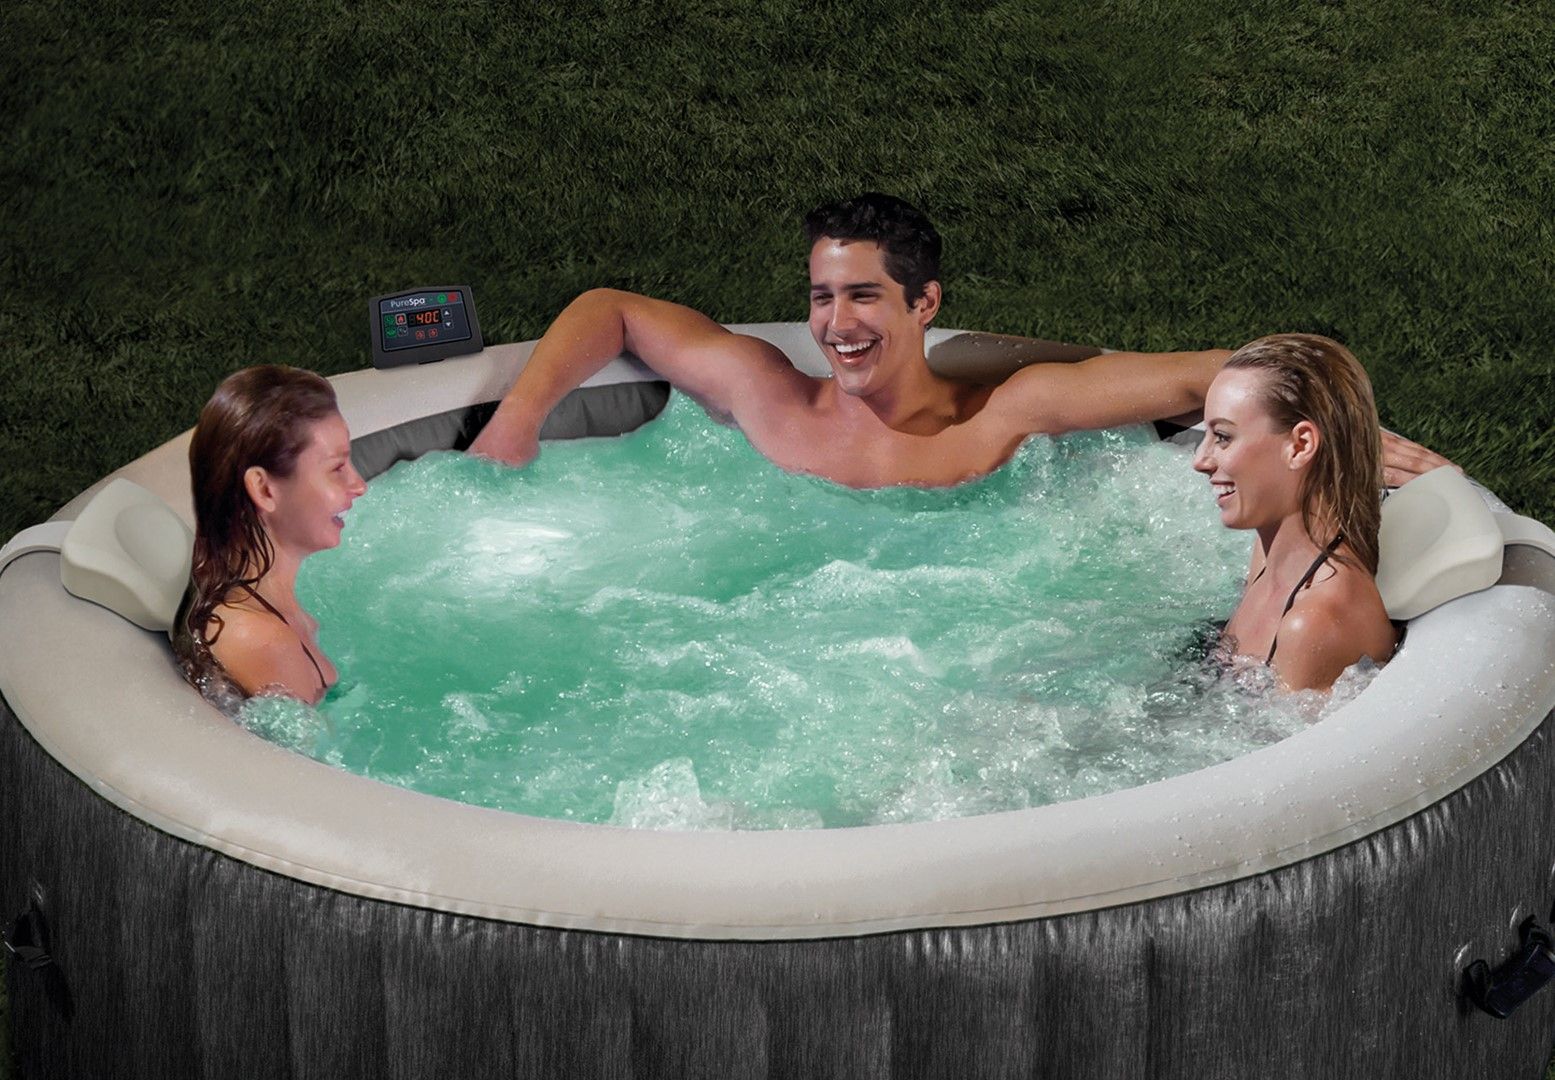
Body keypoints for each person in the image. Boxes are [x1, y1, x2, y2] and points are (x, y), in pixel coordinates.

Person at [469, 192, 1446, 488]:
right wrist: (515, 426)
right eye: (819, 298)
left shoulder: (1001, 419)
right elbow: (611, 308)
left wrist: (1331, 424)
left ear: (924, 304)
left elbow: (1215, 373)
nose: (835, 326)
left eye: (862, 298)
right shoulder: (766, 396)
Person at [1191, 334, 1399, 691]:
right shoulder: (1271, 552)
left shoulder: (1315, 623)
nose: (1200, 460)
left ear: (1300, 446)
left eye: (1223, 437)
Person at [174, 365, 367, 707]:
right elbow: (311, 759)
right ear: (264, 489)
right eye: (337, 467)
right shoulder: (265, 641)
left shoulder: (252, 588)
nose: (359, 485)